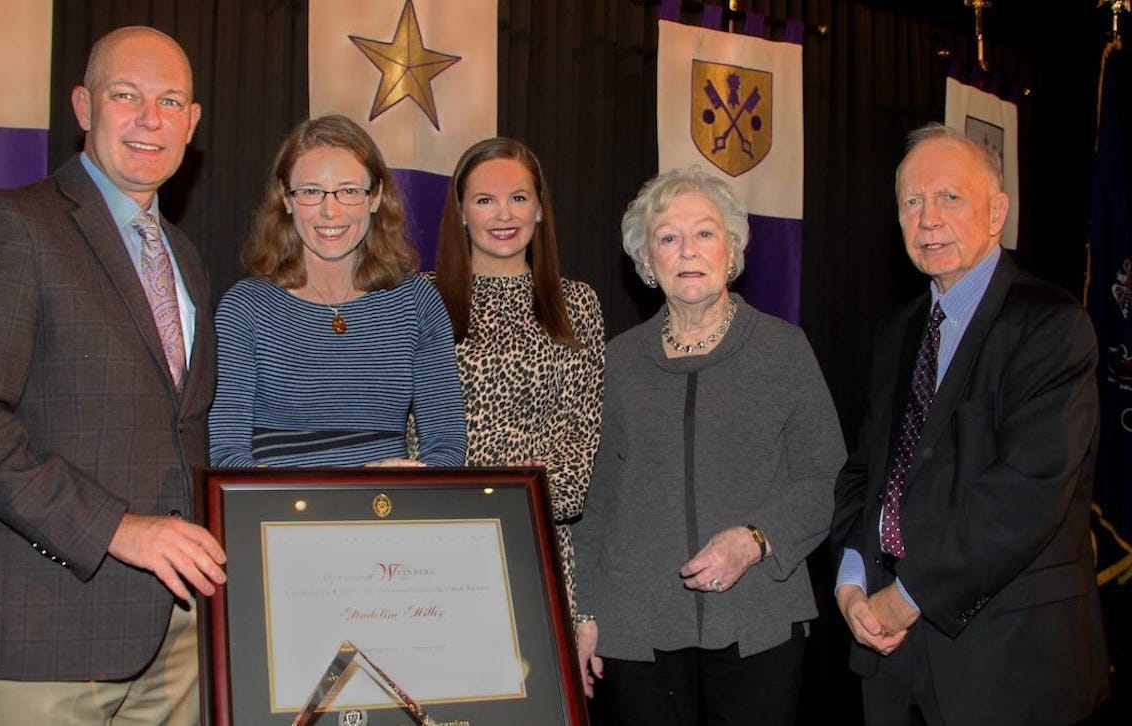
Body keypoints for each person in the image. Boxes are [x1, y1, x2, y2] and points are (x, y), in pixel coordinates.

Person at [0, 26, 225, 726]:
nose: (152, 118)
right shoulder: (11, 225)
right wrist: (120, 528)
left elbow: (182, 432)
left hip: (175, 637)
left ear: (193, 123)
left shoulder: (185, 257)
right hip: (42, 629)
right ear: (84, 106)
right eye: (128, 95)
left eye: (171, 100)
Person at [830, 123, 1110, 724]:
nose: (927, 218)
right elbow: (866, 474)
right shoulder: (897, 334)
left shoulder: (1051, 327)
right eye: (912, 202)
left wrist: (907, 598)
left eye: (949, 198)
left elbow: (1024, 495)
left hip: (1010, 665)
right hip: (891, 662)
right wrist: (851, 578)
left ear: (996, 212)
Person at [572, 167, 844, 724]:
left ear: (733, 248)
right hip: (637, 633)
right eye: (668, 237)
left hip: (758, 624)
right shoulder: (616, 362)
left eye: (704, 233)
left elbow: (825, 479)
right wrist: (586, 612)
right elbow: (592, 503)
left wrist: (755, 540)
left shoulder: (783, 350)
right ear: (647, 261)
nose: (687, 250)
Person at [209, 114, 466, 468]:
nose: (330, 211)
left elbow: (447, 447)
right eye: (311, 192)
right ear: (286, 199)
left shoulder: (417, 302)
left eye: (349, 191)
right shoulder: (245, 308)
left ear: (375, 197)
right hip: (280, 515)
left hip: (387, 514)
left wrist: (412, 484)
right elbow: (225, 453)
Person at [431, 137, 605, 613]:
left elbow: (578, 449)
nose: (503, 215)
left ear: (540, 209)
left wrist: (509, 501)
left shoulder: (578, 305)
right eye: (485, 200)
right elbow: (408, 434)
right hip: (435, 545)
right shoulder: (421, 302)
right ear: (462, 212)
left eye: (519, 198)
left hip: (538, 544)